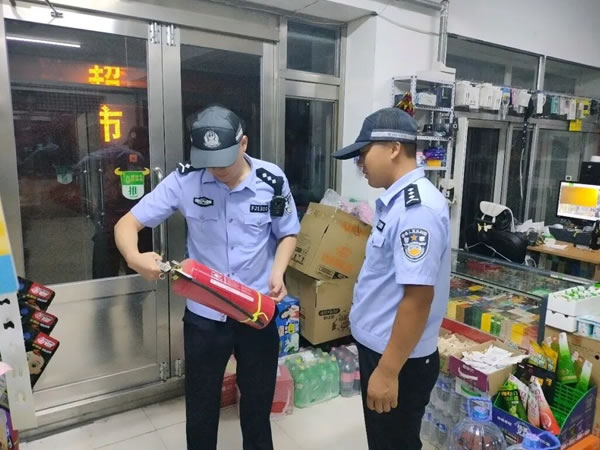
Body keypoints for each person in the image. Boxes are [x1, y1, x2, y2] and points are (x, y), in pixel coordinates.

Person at [114, 106, 300, 450]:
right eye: (208, 161)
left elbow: (287, 232)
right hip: (205, 318)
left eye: (223, 160)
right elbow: (127, 224)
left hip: (256, 311)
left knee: (257, 406)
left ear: (243, 144)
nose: (216, 170)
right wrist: (134, 257)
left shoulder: (272, 180)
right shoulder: (185, 180)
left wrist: (278, 270)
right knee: (201, 408)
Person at [332, 107, 450, 450]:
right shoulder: (398, 203)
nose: (360, 163)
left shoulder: (417, 210)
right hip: (386, 350)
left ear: (394, 148)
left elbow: (418, 299)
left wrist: (387, 371)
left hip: (398, 358)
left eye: (364, 152)